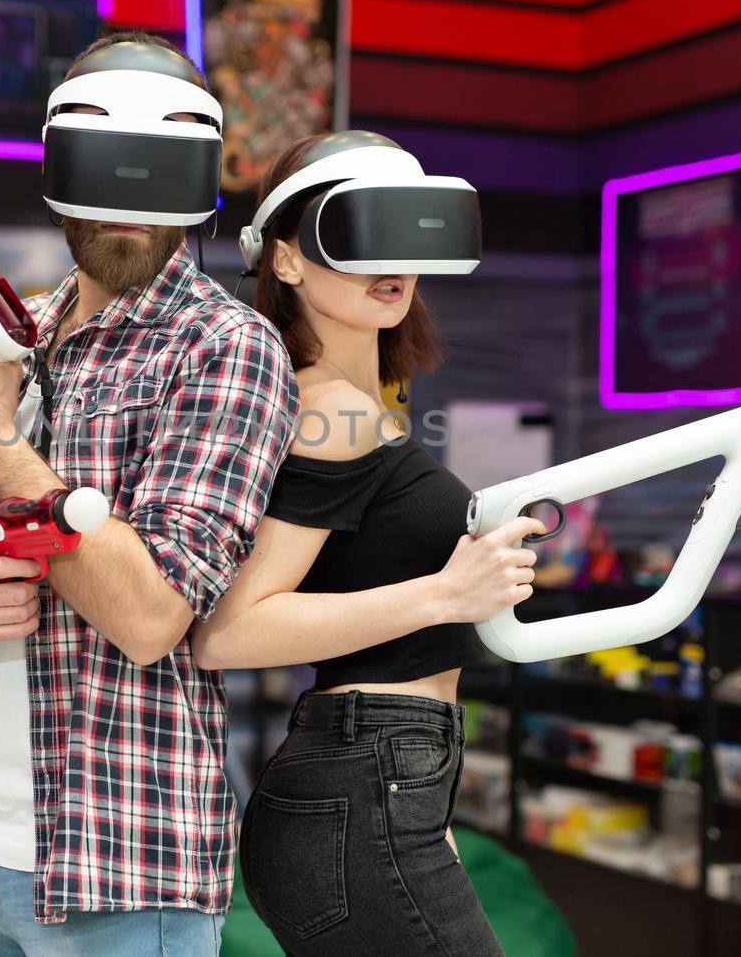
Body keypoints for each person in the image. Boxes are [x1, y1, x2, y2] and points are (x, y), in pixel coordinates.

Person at [0, 32, 297, 957]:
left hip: (123, 873)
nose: (130, 212)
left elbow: (152, 617)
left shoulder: (226, 349)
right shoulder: (10, 332)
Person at [192, 131, 543, 956]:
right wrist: (446, 593)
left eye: (405, 233)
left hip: (386, 780)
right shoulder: (333, 412)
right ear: (284, 259)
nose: (390, 263)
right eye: (356, 235)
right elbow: (230, 631)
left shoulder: (363, 401)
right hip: (363, 779)